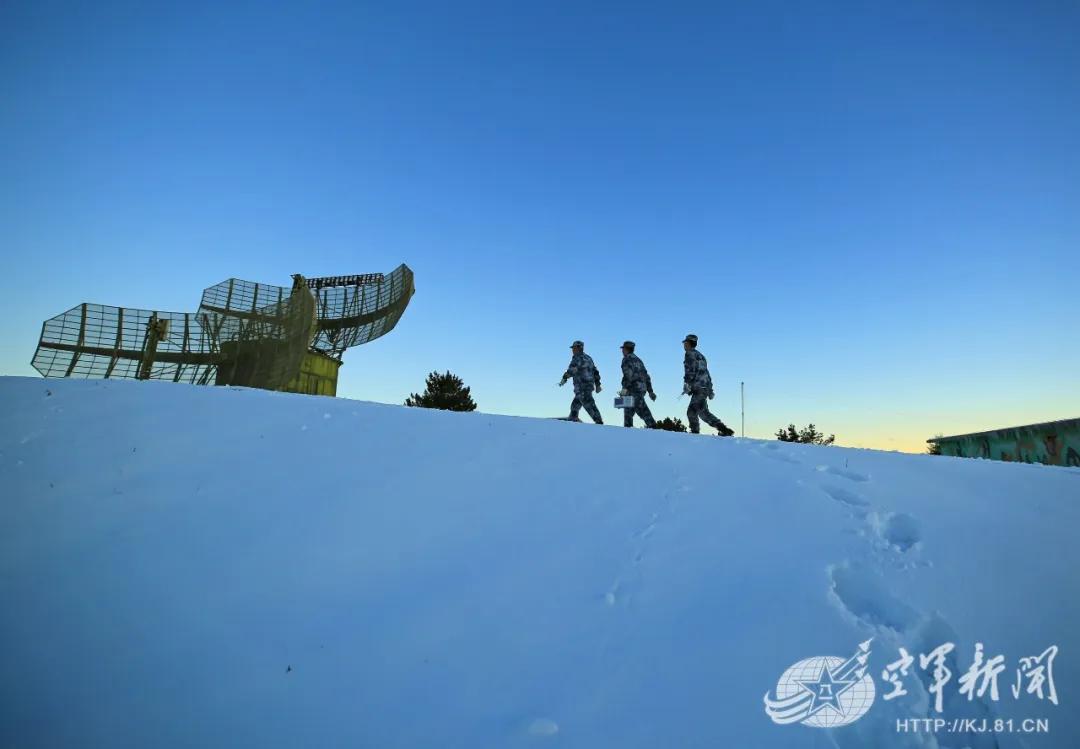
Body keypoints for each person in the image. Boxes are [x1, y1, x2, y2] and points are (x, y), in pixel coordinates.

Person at [682, 334, 735, 436]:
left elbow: (689, 371)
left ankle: (695, 433)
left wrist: (687, 385)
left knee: (695, 412)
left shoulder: (689, 354)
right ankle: (723, 429)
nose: (684, 345)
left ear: (689, 343)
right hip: (704, 388)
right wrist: (710, 390)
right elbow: (706, 373)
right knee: (700, 412)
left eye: (685, 342)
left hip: (698, 388)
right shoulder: (701, 356)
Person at [559, 340, 603, 423]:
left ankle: (599, 423)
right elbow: (595, 372)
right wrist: (598, 385)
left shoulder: (577, 358)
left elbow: (572, 370)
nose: (572, 350)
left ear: (579, 348)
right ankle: (573, 419)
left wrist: (564, 378)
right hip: (588, 386)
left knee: (589, 405)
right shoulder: (589, 358)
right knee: (574, 406)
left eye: (574, 348)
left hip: (581, 387)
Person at [619, 340, 657, 428]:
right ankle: (628, 435)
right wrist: (650, 391)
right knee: (628, 413)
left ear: (626, 349)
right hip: (641, 390)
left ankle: (656, 431)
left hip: (632, 390)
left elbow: (628, 375)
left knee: (643, 413)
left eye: (623, 349)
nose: (622, 351)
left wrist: (624, 389)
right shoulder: (639, 361)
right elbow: (647, 376)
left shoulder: (626, 359)